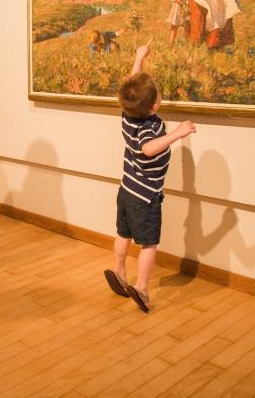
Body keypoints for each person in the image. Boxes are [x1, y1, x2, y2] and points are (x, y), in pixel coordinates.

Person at [103, 39, 196, 313]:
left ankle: (120, 271)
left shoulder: (127, 114)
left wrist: (139, 56)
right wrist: (178, 133)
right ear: (155, 105)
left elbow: (131, 84)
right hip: (145, 196)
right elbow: (148, 149)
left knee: (123, 234)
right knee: (149, 244)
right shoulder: (148, 128)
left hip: (126, 189)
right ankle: (141, 288)